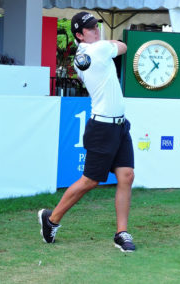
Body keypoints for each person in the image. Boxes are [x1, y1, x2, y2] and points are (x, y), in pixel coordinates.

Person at [38, 11, 136, 252]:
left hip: (120, 125)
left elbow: (115, 47)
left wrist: (106, 43)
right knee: (90, 181)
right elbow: (123, 46)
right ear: (80, 35)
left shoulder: (88, 52)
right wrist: (111, 43)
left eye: (96, 26)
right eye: (91, 28)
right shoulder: (95, 50)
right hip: (102, 127)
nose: (96, 30)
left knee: (126, 176)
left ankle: (121, 233)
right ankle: (51, 220)